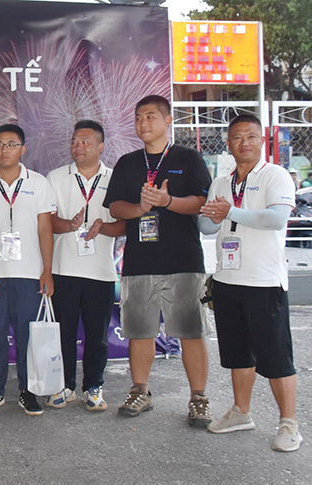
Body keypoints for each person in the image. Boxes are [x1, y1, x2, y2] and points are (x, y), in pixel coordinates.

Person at [103, 95, 213, 426]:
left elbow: (201, 201)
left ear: (168, 121)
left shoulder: (188, 157)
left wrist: (166, 201)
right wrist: (141, 209)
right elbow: (114, 207)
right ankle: (140, 391)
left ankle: (198, 398)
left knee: (191, 332)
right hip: (139, 261)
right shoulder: (127, 162)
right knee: (140, 332)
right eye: (138, 118)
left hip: (183, 259)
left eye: (150, 116)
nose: (143, 123)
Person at [199, 114, 302, 452]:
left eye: (251, 137)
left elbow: (276, 218)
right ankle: (241, 412)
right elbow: (208, 228)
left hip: (265, 282)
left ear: (262, 141)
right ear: (228, 144)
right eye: (236, 137)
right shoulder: (221, 181)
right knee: (238, 354)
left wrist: (229, 212)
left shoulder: (275, 175)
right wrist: (212, 216)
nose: (243, 143)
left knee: (276, 357)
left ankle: (289, 424)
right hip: (227, 280)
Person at [0, 124, 55, 417]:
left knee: (28, 336)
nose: (4, 150)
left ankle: (28, 391)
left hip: (30, 274)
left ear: (23, 149)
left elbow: (45, 228)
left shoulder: (39, 183)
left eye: (11, 144)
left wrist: (47, 270)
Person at [46, 120, 124, 412]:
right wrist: (70, 225)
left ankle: (94, 386)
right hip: (63, 269)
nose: (78, 147)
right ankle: (64, 386)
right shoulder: (56, 177)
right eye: (74, 142)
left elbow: (124, 225)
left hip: (101, 272)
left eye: (85, 142)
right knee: (63, 333)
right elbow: (47, 221)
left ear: (101, 146)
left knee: (97, 336)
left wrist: (103, 227)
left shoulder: (115, 178)